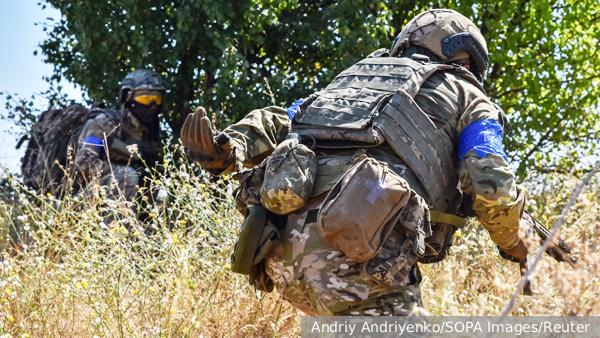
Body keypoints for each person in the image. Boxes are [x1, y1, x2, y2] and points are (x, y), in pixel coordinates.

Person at [181, 9, 527, 316]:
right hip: (360, 256)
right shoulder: (467, 94)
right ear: (467, 59)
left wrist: (229, 146)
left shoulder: (351, 82)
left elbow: (285, 118)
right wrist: (512, 242)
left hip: (279, 257)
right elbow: (489, 180)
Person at [72, 69, 165, 201]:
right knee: (127, 176)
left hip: (121, 202)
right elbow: (83, 164)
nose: (152, 106)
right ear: (127, 96)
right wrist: (122, 171)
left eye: (157, 100)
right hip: (79, 201)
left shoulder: (148, 133)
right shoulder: (105, 123)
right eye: (145, 99)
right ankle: (117, 223)